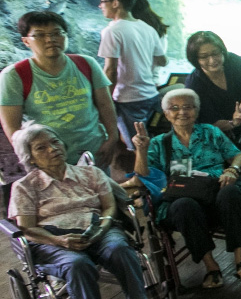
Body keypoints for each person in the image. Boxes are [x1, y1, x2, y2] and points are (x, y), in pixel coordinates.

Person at [129, 89, 241, 287]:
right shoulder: (159, 142)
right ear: (166, 114)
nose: (182, 112)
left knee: (231, 192)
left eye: (188, 107)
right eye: (174, 108)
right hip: (184, 199)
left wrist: (232, 169)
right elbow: (143, 176)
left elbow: (237, 155)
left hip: (217, 192)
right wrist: (141, 150)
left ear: (196, 111)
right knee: (183, 205)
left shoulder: (210, 132)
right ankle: (211, 267)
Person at [7, 123, 146, 299]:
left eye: (55, 142)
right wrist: (59, 240)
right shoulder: (24, 187)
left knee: (120, 250)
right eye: (41, 148)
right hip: (52, 239)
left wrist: (102, 229)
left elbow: (109, 206)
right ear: (30, 158)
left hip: (98, 227)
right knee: (77, 264)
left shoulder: (91, 173)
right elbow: (27, 229)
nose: (52, 149)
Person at [1, 11, 122, 182]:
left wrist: (112, 138)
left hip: (94, 150)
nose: (50, 40)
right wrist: (34, 159)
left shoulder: (86, 63)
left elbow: (105, 104)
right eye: (40, 35)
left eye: (56, 33)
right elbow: (12, 127)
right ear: (26, 41)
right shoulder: (15, 75)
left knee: (102, 196)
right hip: (50, 159)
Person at [97, 0, 167, 152]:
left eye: (103, 1)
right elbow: (162, 60)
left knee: (137, 149)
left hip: (128, 99)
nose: (100, 6)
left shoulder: (112, 31)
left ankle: (144, 177)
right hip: (151, 96)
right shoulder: (147, 28)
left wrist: (105, 101)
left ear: (115, 3)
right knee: (149, 143)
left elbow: (110, 70)